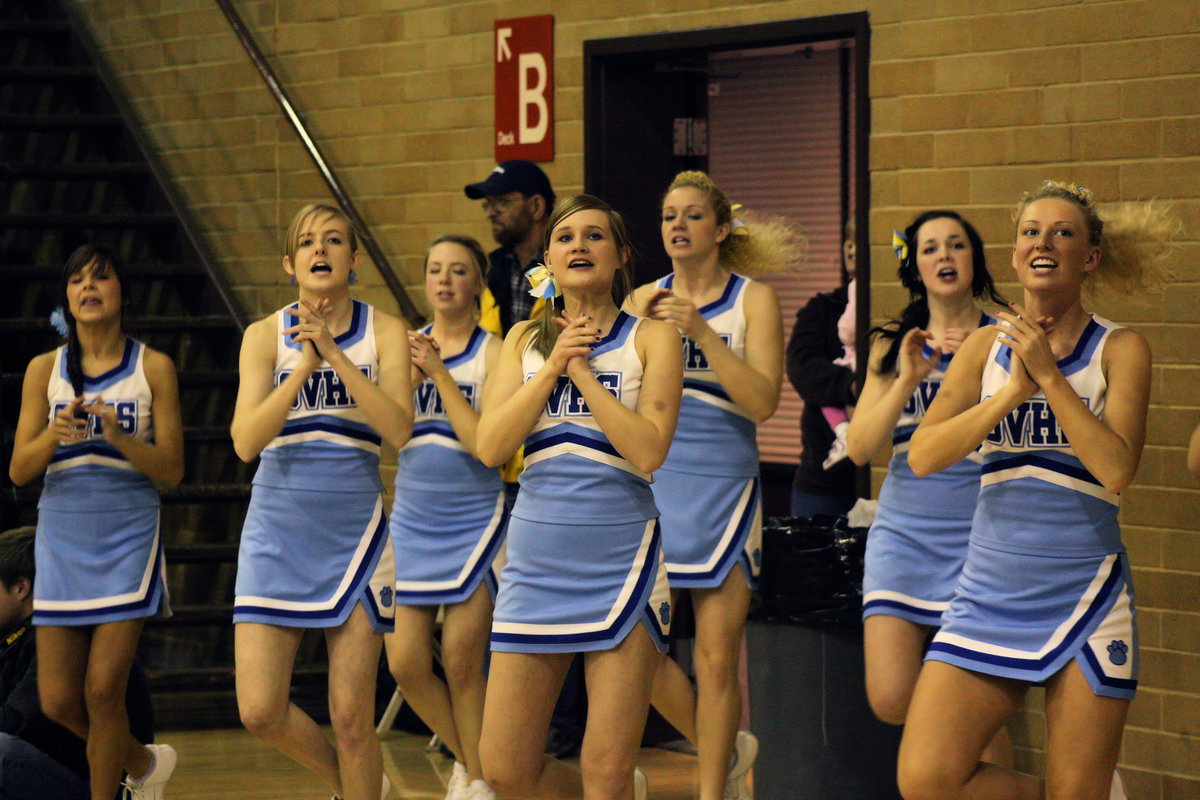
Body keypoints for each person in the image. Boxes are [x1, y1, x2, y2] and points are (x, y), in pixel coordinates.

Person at [898, 182, 1176, 800]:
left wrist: (1049, 378)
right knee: (925, 779)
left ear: (1091, 257)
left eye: (1062, 232)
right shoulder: (982, 347)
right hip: (988, 594)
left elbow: (1116, 469)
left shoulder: (1121, 348)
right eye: (1030, 231)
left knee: (1078, 790)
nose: (1042, 242)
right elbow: (923, 455)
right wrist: (1007, 396)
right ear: (1016, 251)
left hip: (1086, 597)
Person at [475, 194, 682, 800]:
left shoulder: (653, 339)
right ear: (547, 261)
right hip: (534, 567)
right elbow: (490, 446)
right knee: (506, 767)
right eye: (565, 238)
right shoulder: (520, 339)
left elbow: (648, 452)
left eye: (595, 236)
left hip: (623, 562)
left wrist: (585, 374)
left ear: (620, 256)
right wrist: (552, 367)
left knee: (608, 769)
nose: (579, 246)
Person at [626, 170, 799, 800]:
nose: (677, 225)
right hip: (653, 484)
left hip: (725, 487)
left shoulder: (751, 299)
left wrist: (700, 332)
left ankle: (712, 790)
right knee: (634, 648)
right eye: (669, 214)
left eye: (693, 215)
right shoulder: (640, 299)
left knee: (718, 658)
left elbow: (762, 402)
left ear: (721, 229)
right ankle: (718, 742)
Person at [230, 203, 412, 800]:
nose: (320, 251)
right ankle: (359, 789)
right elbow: (246, 441)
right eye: (307, 243)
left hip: (353, 533)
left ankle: (360, 789)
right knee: (259, 709)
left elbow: (400, 428)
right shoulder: (263, 336)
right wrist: (305, 361)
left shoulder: (384, 330)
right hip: (276, 530)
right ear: (289, 263)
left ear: (354, 260)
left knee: (353, 716)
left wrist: (334, 354)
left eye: (334, 241)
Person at [8, 243, 182, 800]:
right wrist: (51, 436)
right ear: (66, 294)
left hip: (128, 531)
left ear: (122, 293)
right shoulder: (44, 370)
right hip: (62, 531)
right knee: (60, 699)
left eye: (101, 278)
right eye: (78, 279)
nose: (88, 287)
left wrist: (121, 438)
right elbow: (18, 470)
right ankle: (143, 766)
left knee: (104, 692)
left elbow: (174, 470)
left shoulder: (153, 366)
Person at [844, 211, 1011, 765]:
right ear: (913, 265)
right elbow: (861, 447)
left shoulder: (1006, 335)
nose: (944, 256)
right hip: (903, 534)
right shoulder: (895, 343)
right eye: (931, 248)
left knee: (975, 713)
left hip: (979, 538)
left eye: (957, 245)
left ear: (975, 259)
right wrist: (908, 382)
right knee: (890, 696)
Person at [385, 235, 504, 800]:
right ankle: (468, 756)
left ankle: (480, 780)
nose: (445, 279)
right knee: (406, 663)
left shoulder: (495, 352)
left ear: (477, 283)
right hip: (412, 516)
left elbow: (490, 445)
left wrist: (440, 375)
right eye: (435, 269)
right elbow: (391, 432)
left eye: (458, 271)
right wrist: (407, 382)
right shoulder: (401, 349)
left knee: (461, 658)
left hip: (475, 519)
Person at [0, 526, 155, 800]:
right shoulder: (16, 638)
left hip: (93, 783)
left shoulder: (62, 640)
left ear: (21, 588)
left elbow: (19, 723)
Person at [786, 224, 860, 517]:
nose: (852, 248)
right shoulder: (823, 308)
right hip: (823, 480)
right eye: (848, 240)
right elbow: (802, 368)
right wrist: (854, 387)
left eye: (860, 239)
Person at [464, 160, 557, 335]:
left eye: (502, 202)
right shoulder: (493, 266)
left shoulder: (564, 264)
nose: (490, 213)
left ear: (536, 206)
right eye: (488, 204)